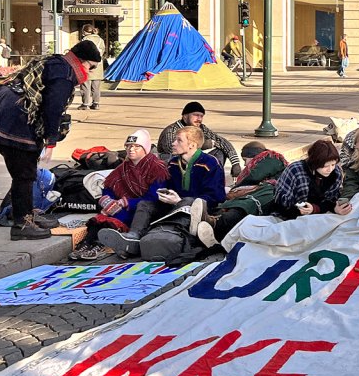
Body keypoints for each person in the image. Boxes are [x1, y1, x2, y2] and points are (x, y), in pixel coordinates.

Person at [0, 40, 99, 240]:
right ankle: (22, 224)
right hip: (14, 119)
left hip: (7, 111)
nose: (91, 72)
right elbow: (53, 108)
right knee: (24, 173)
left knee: (26, 170)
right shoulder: (65, 74)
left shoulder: (57, 62)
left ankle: (27, 213)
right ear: (82, 61)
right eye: (91, 67)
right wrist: (51, 141)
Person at [99, 126, 226, 257]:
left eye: (179, 140)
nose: (173, 143)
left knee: (188, 200)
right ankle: (133, 236)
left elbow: (216, 197)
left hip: (199, 210)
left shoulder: (210, 163)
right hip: (173, 206)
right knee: (144, 204)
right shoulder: (173, 163)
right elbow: (166, 188)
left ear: (191, 145)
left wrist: (180, 201)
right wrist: (165, 194)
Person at [70, 130, 169, 260]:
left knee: (117, 217)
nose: (131, 149)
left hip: (144, 210)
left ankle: (101, 244)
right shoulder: (122, 168)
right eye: (128, 146)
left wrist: (125, 203)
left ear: (145, 149)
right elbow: (109, 187)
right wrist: (107, 200)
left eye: (136, 146)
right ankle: (87, 243)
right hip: (120, 206)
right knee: (100, 218)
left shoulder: (157, 168)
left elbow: (154, 197)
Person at [196, 141, 289, 248]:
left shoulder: (270, 158)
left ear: (253, 155)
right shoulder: (266, 166)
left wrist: (235, 188)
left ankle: (215, 224)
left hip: (268, 194)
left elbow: (254, 176)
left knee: (247, 204)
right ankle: (213, 221)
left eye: (245, 160)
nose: (245, 164)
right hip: (264, 192)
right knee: (241, 203)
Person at [157, 101, 242, 178]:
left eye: (201, 116)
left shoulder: (201, 128)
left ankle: (212, 179)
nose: (199, 119)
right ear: (185, 116)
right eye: (196, 115)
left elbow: (222, 141)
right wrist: (201, 145)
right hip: (173, 169)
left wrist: (235, 163)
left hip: (193, 164)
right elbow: (171, 149)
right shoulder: (172, 130)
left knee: (220, 151)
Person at [274, 139, 349, 220]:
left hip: (321, 216)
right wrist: (300, 209)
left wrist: (316, 208)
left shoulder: (336, 173)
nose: (330, 169)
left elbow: (331, 201)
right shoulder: (295, 170)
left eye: (333, 164)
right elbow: (280, 202)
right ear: (315, 162)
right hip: (289, 216)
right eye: (325, 166)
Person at [77, 24, 105, 110]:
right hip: (98, 65)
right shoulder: (100, 40)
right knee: (96, 87)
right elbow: (102, 51)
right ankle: (96, 104)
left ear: (84, 32)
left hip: (87, 65)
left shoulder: (85, 39)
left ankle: (85, 104)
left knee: (85, 85)